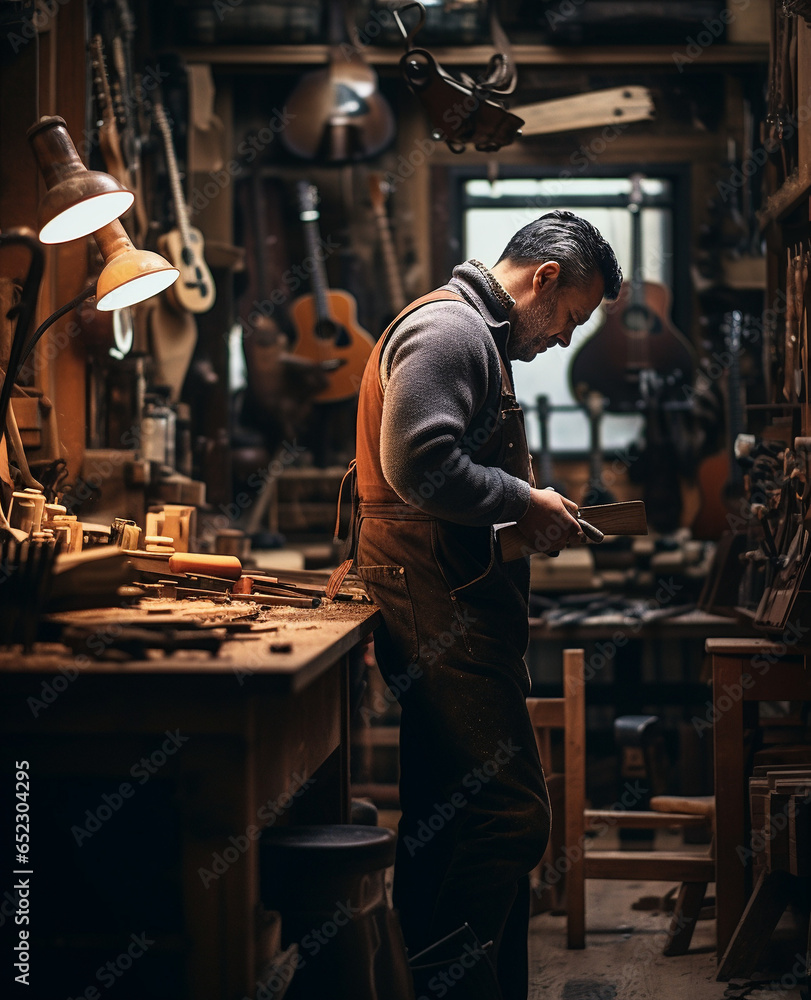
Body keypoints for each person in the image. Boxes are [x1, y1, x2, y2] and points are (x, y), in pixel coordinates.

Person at [352, 210, 622, 999]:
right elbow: (418, 465)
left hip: (447, 594)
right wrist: (521, 500)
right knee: (510, 815)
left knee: (447, 813)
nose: (565, 340)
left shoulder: (473, 334)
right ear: (543, 280)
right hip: (437, 605)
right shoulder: (451, 332)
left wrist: (517, 517)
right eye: (570, 317)